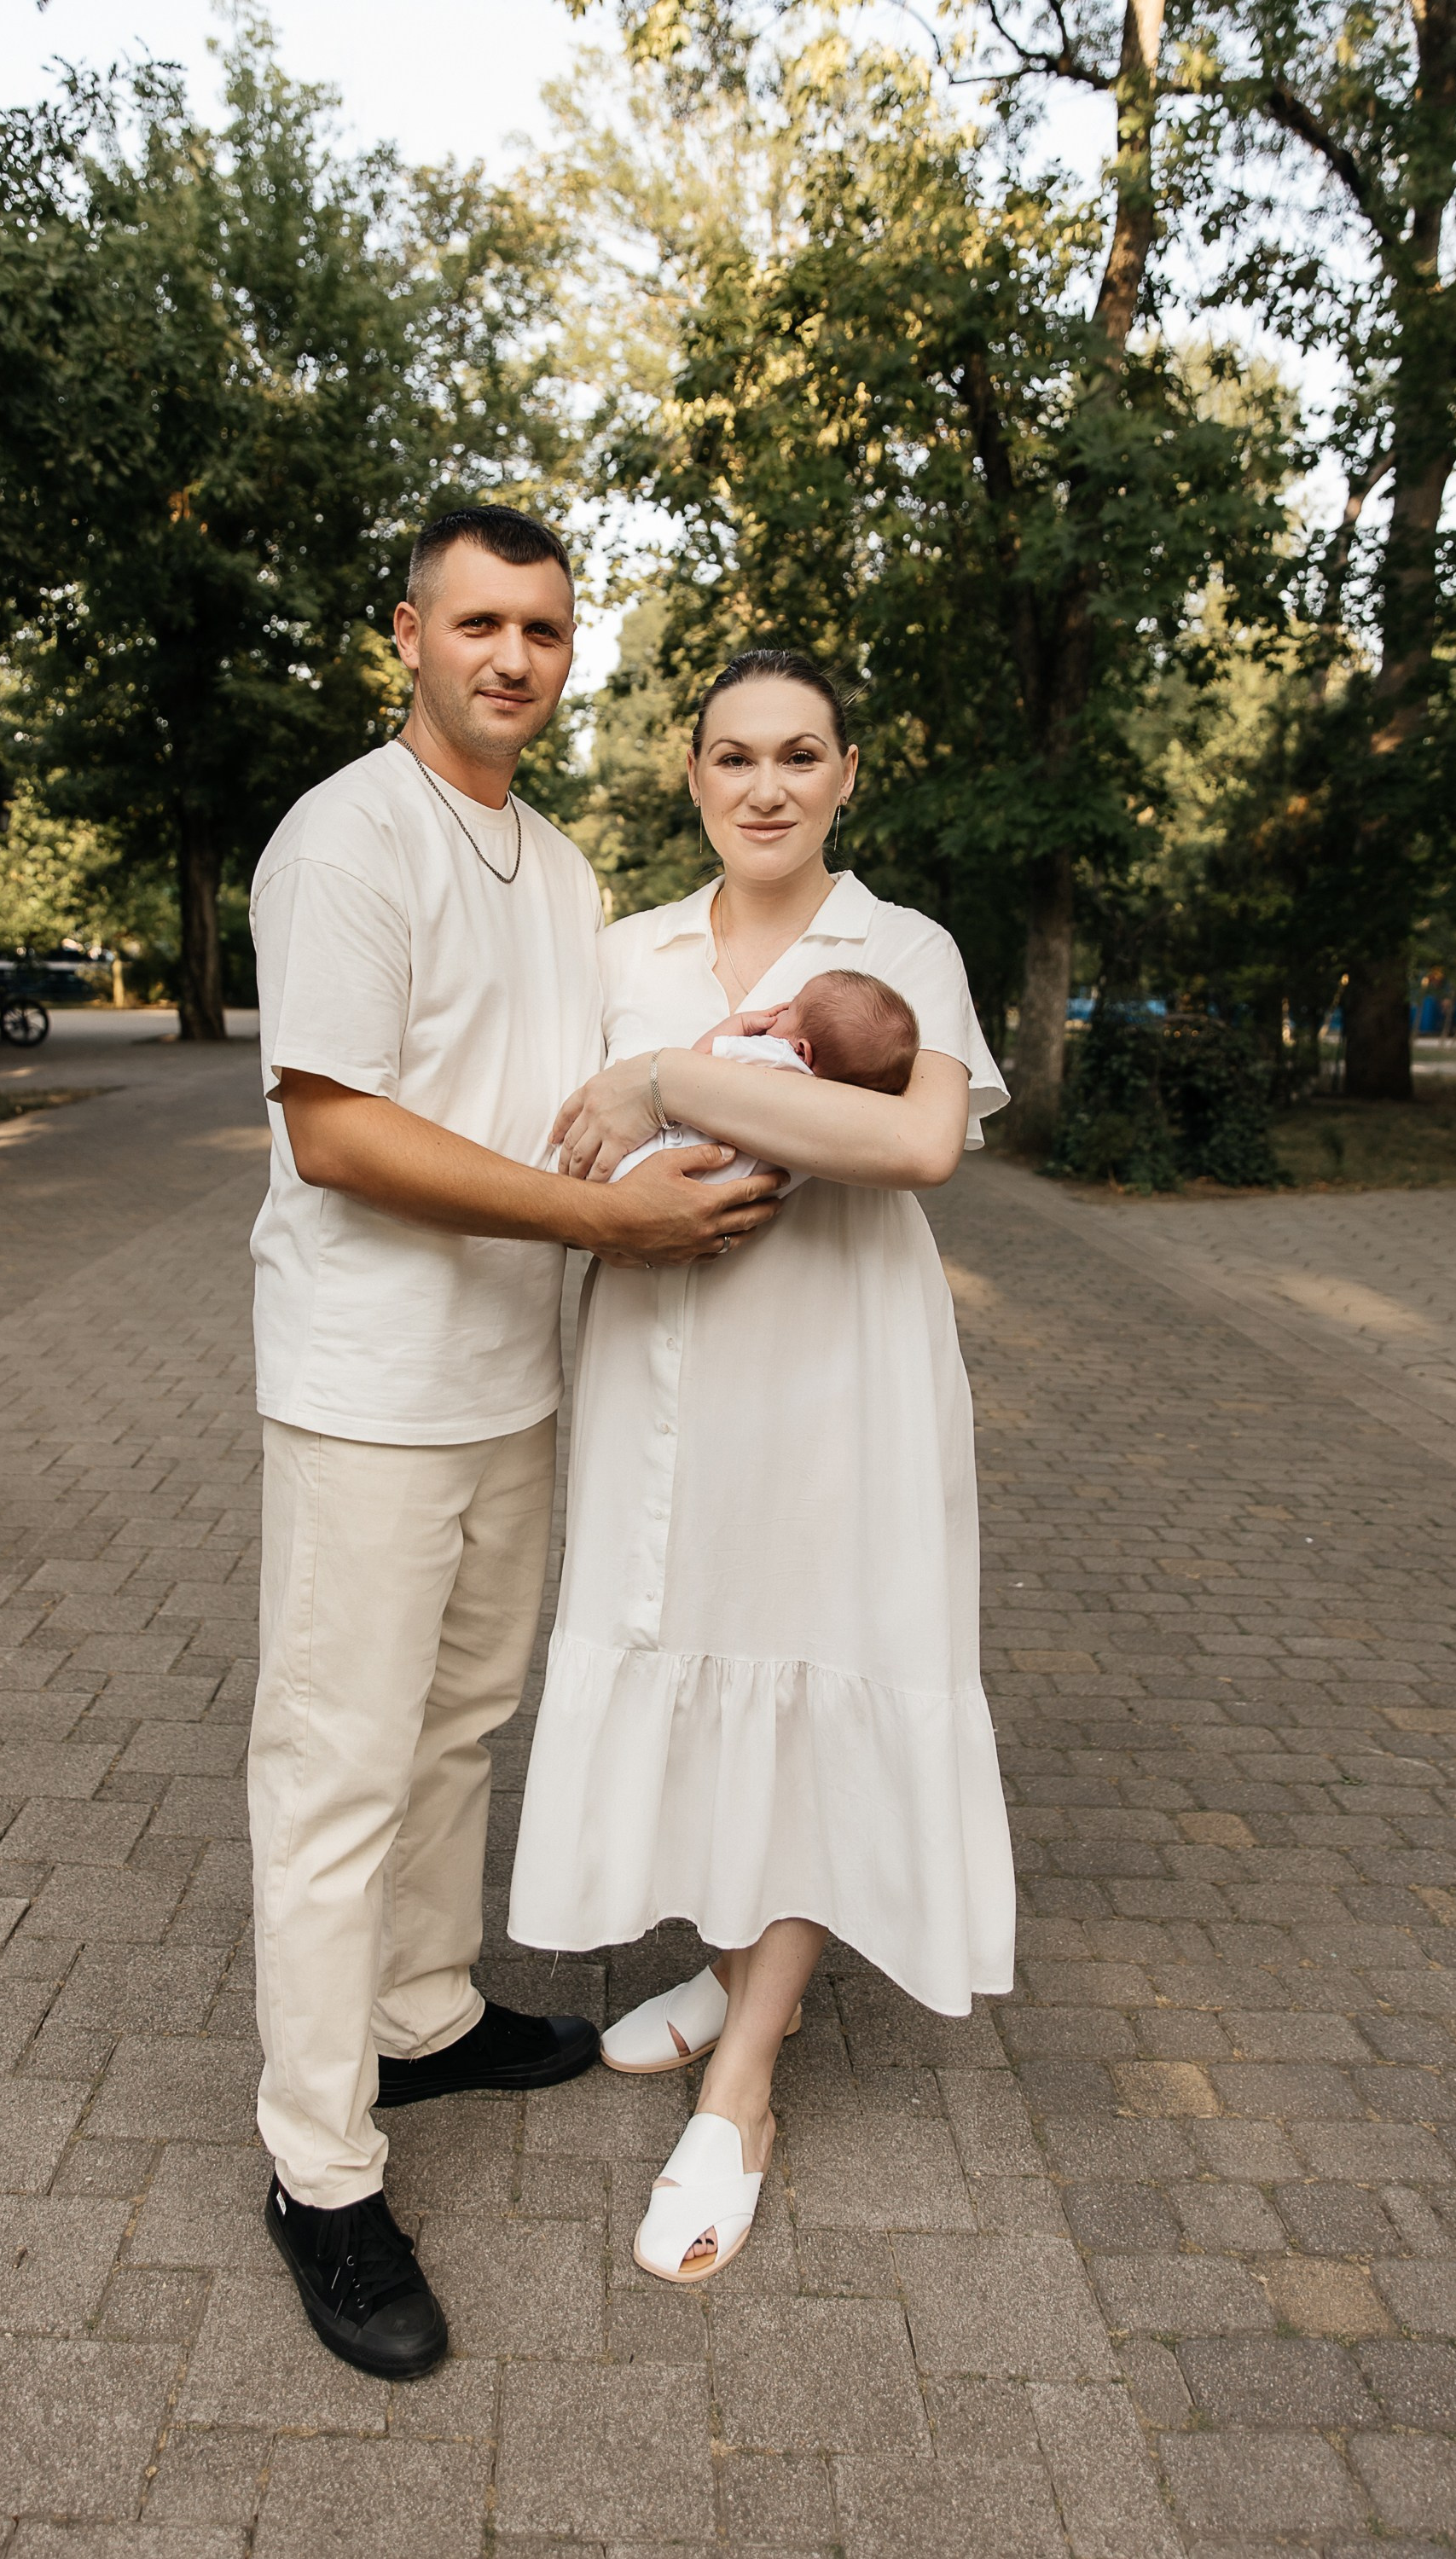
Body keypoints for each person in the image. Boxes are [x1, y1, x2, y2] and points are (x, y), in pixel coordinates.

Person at [246, 509, 784, 2378]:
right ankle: (319, 2172)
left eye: (545, 629)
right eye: (478, 622)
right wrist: (605, 1232)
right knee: (335, 1772)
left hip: (515, 1381)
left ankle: (423, 2014)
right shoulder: (347, 837)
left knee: (462, 1725)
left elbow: (577, 1115)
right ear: (407, 634)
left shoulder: (556, 869)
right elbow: (337, 1131)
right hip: (368, 1386)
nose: (513, 657)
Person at [508, 647, 1016, 2284]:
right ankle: (734, 1968)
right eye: (736, 756)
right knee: (699, 1667)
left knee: (818, 1675)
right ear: (693, 773)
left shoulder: (902, 945)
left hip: (842, 1379)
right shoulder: (625, 949)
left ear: (847, 773)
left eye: (802, 755)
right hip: (667, 1374)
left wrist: (669, 1078)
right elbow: (561, 1150)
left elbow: (914, 1142)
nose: (768, 786)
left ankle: (746, 2084)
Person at [612, 969, 920, 1189]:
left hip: (656, 1161)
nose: (779, 1012)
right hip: (721, 1187)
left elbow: (695, 1061)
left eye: (791, 1007)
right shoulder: (830, 1115)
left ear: (802, 1050)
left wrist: (741, 1023)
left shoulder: (775, 1056)